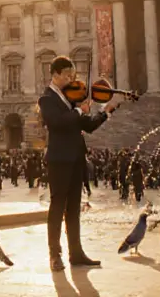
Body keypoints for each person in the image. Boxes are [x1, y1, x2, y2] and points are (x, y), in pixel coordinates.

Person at [38, 57, 121, 272]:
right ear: (55, 74)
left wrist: (106, 111)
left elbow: (89, 126)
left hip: (76, 158)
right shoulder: (46, 99)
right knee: (57, 208)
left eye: (72, 76)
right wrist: (78, 111)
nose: (71, 80)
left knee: (74, 208)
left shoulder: (71, 100)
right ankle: (54, 255)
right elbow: (56, 123)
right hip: (58, 160)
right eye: (67, 75)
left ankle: (76, 253)